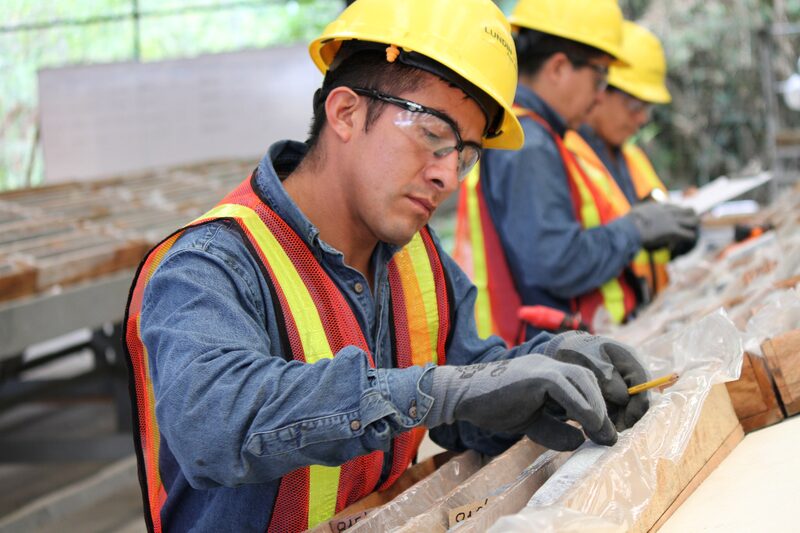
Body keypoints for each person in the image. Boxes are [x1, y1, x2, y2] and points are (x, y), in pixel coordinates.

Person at [123, 1, 650, 531]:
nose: (448, 175)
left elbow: (470, 392)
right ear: (346, 112)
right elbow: (213, 427)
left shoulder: (417, 261)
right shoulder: (210, 264)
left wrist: (548, 373)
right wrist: (440, 392)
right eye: (433, 135)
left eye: (464, 154)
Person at [454, 0, 699, 343]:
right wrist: (635, 228)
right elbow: (557, 262)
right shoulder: (530, 144)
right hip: (544, 354)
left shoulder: (541, 135)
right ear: (558, 68)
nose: (600, 97)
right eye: (600, 78)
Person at [565, 21, 697, 299]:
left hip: (643, 317)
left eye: (647, 108)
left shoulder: (632, 157)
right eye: (635, 105)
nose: (643, 118)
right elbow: (562, 261)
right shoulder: (565, 156)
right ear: (599, 92)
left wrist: (677, 235)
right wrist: (638, 229)